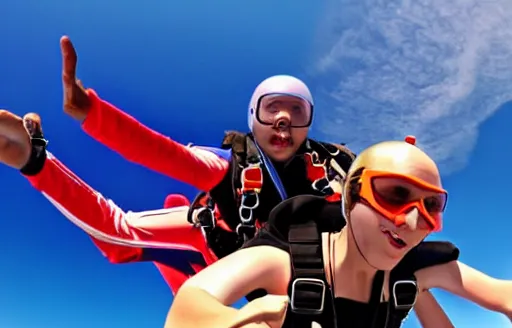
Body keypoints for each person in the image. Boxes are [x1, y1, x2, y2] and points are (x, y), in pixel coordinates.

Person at [161, 138, 512, 328]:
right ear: (350, 197)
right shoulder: (284, 263)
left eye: (431, 205)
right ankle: (193, 264)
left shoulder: (414, 274)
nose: (411, 220)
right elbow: (182, 322)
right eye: (393, 194)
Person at [48, 35, 356, 294]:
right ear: (253, 117)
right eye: (271, 108)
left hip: (280, 278)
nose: (283, 119)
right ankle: (186, 276)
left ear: (308, 124)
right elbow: (161, 152)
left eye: (297, 111)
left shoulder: (334, 170)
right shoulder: (232, 165)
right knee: (120, 239)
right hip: (210, 247)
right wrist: (87, 115)